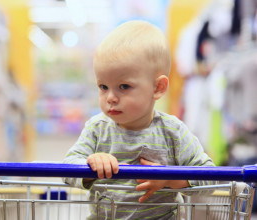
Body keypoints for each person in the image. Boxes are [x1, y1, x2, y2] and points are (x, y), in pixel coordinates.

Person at [63, 20, 216, 220]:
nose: (110, 97)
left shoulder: (173, 132)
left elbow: (210, 178)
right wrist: (90, 165)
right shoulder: (97, 129)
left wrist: (169, 179)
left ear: (158, 88)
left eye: (124, 86)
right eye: (103, 86)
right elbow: (67, 170)